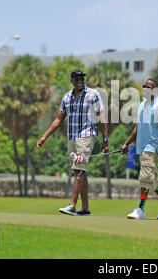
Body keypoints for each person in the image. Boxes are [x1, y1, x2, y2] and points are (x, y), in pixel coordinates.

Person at [37, 69, 109, 216]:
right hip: (71, 137)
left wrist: (105, 140)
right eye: (76, 79)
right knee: (80, 171)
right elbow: (59, 119)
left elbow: (100, 117)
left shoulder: (92, 94)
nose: (80, 81)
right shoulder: (67, 97)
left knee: (79, 168)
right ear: (72, 81)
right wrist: (45, 137)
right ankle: (86, 208)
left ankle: (72, 205)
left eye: (81, 78)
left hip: (87, 136)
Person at [120, 78, 158, 220]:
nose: (145, 89)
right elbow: (137, 128)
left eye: (149, 87)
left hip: (153, 148)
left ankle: (140, 209)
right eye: (144, 86)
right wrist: (126, 144)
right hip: (142, 147)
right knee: (150, 178)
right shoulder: (141, 106)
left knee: (145, 177)